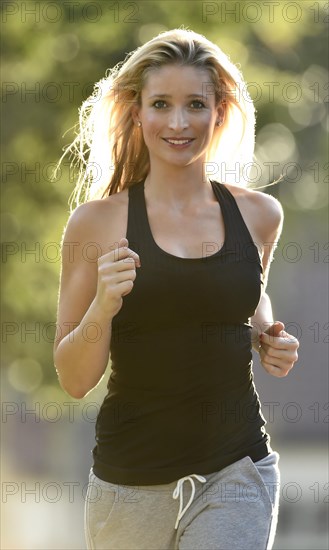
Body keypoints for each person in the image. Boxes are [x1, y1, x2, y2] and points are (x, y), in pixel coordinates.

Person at [53, 28, 299, 550]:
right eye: (161, 104)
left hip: (237, 469)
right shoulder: (96, 225)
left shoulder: (259, 215)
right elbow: (74, 379)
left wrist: (268, 336)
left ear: (221, 110)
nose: (179, 122)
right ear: (136, 111)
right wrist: (104, 303)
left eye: (196, 105)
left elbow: (247, 297)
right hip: (130, 483)